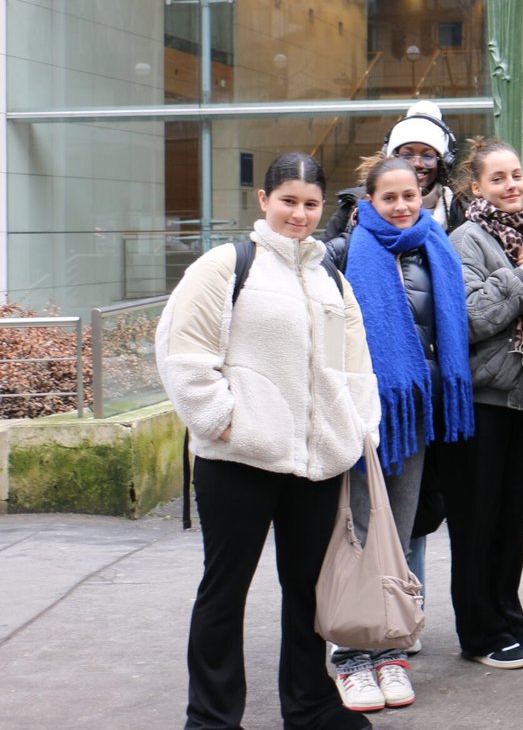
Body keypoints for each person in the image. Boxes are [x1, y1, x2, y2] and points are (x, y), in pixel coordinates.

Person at [156, 152, 379, 730]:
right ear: (263, 200)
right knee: (224, 590)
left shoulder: (330, 279)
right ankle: (211, 718)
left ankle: (310, 707)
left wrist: (357, 430)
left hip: (315, 465)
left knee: (307, 592)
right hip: (239, 461)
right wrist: (223, 422)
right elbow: (182, 353)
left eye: (311, 204)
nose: (299, 215)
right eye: (288, 201)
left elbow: (352, 366)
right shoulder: (226, 265)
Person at [326, 157, 475, 709]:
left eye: (409, 195)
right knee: (360, 531)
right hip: (365, 416)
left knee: (402, 531)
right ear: (368, 200)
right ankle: (351, 652)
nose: (401, 206)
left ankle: (390, 647)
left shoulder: (435, 245)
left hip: (416, 416)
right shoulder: (345, 250)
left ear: (422, 195)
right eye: (388, 197)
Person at [446, 140, 523, 671]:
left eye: (516, 175)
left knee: (512, 519)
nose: (511, 185)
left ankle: (509, 614)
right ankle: (479, 630)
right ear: (476, 188)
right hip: (481, 400)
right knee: (477, 520)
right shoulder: (465, 239)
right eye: (498, 178)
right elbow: (471, 318)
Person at [324, 100, 465, 240]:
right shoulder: (355, 206)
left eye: (427, 156)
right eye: (407, 155)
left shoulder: (458, 210)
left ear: (443, 162)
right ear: (391, 157)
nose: (417, 164)